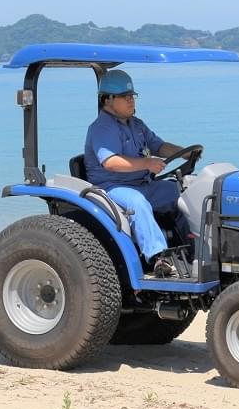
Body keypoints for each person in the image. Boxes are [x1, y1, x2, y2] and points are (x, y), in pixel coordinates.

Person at [83, 69, 195, 277]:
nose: (130, 101)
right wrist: (146, 163)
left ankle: (192, 246)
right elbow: (111, 162)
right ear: (107, 100)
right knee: (137, 203)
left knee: (178, 191)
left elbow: (159, 146)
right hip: (113, 187)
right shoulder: (101, 128)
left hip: (141, 183)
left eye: (132, 96)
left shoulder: (136, 124)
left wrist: (185, 153)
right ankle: (158, 257)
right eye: (125, 97)